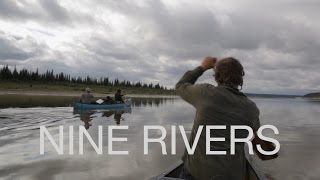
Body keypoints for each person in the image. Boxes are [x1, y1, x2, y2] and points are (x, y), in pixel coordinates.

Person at [176, 56, 278, 180]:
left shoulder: (205, 93)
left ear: (217, 77)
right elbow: (259, 143)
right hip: (231, 174)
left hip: (196, 172)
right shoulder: (251, 108)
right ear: (240, 78)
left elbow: (181, 85)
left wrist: (202, 67)